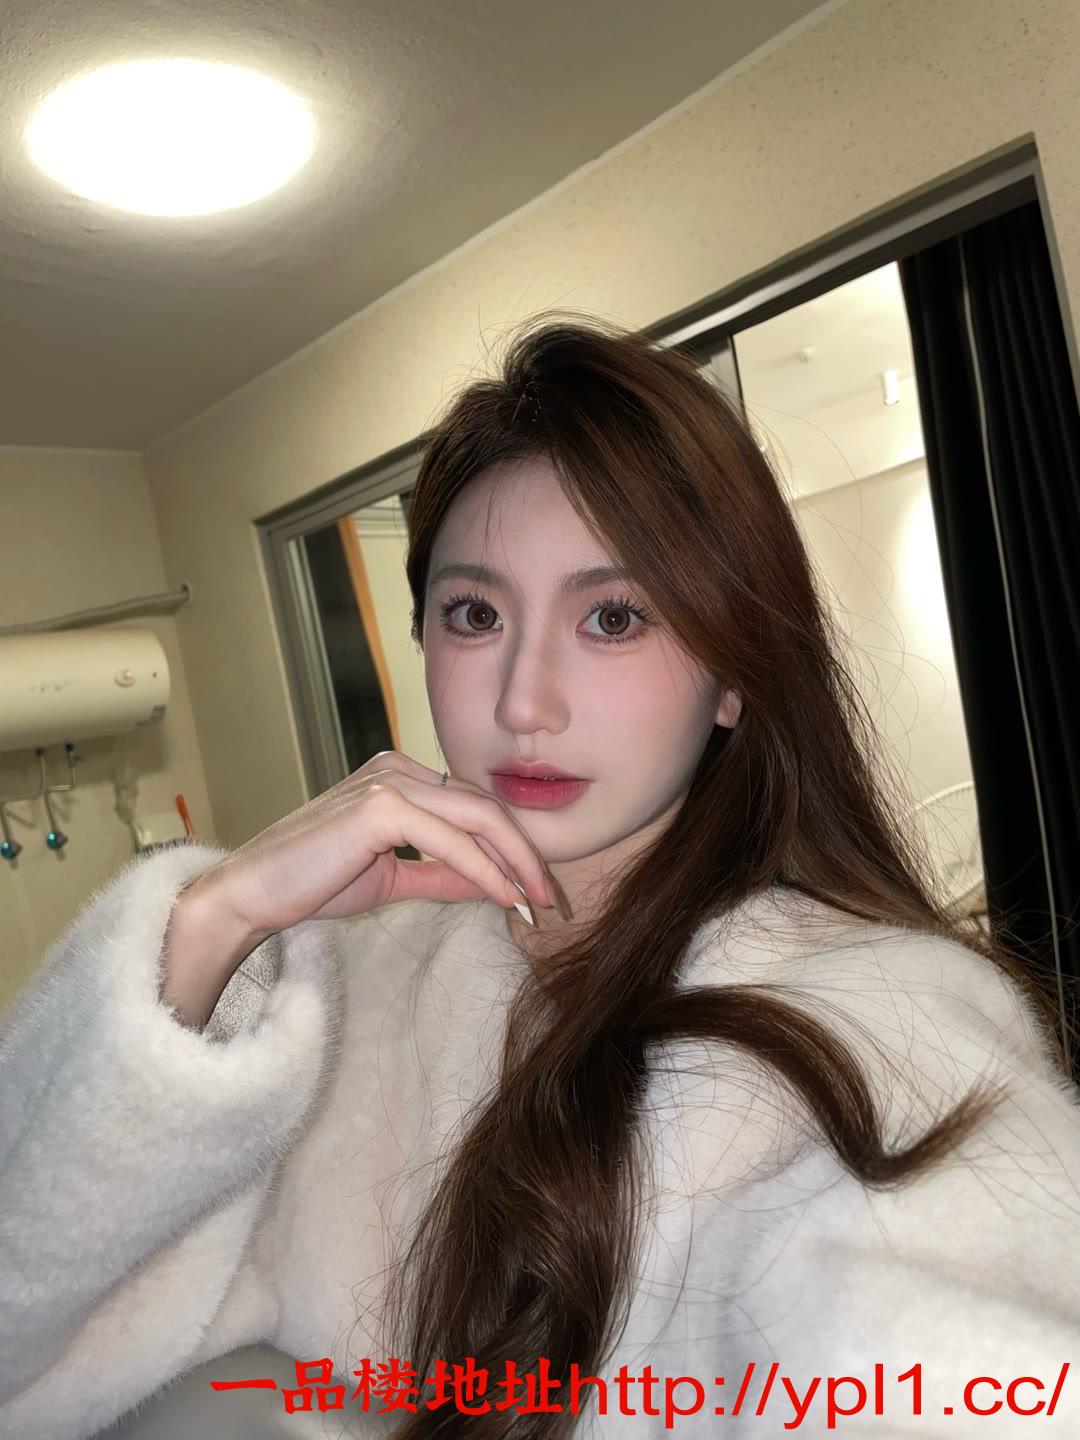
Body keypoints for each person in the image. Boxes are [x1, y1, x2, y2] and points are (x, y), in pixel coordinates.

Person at [2, 312, 1079, 1440]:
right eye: (475, 614)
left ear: (734, 677)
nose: (524, 701)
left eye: (613, 617)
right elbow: (26, 1345)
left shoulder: (874, 1023)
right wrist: (211, 924)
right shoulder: (337, 999)